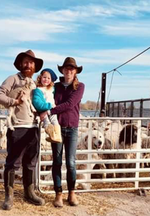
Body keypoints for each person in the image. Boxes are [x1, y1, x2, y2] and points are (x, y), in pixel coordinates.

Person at [0, 50, 45, 211]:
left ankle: (29, 193)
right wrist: (14, 101)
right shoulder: (13, 79)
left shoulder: (35, 84)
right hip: (17, 127)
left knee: (30, 162)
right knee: (13, 162)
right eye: (26, 62)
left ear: (35, 66)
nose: (28, 65)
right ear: (21, 64)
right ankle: (9, 196)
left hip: (33, 128)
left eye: (31, 62)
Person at [40, 57, 84, 207]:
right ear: (62, 70)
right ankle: (58, 193)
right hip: (57, 128)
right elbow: (44, 94)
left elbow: (70, 104)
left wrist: (50, 110)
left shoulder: (79, 87)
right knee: (57, 162)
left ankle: (72, 192)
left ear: (76, 71)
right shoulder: (56, 86)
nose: (69, 71)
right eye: (66, 68)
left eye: (72, 69)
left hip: (72, 128)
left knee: (71, 162)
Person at [32, 68, 62, 143]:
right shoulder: (38, 90)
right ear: (40, 78)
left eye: (49, 78)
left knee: (55, 121)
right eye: (44, 77)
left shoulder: (52, 89)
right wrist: (49, 106)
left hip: (52, 109)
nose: (46, 79)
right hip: (44, 109)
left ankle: (57, 136)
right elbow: (37, 102)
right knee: (46, 122)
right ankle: (53, 135)